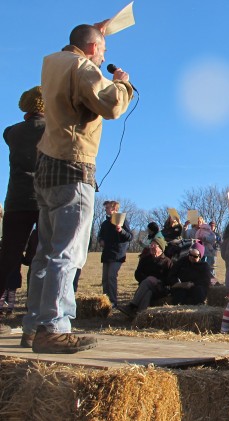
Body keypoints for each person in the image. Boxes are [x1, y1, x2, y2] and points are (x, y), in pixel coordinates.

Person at [21, 22, 134, 353]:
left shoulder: (53, 62)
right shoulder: (82, 67)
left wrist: (95, 34)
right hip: (73, 165)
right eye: (102, 51)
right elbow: (110, 106)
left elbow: (81, 40)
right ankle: (54, 327)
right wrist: (122, 85)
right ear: (92, 49)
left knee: (45, 253)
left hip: (47, 165)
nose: (103, 58)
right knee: (67, 252)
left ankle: (33, 325)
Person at [0, 86, 45, 331]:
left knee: (8, 255)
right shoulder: (51, 129)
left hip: (15, 200)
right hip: (42, 199)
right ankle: (35, 310)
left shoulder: (11, 132)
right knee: (41, 256)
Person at [117, 237, 173, 319]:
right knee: (148, 292)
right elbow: (137, 274)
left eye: (154, 245)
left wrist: (158, 281)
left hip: (160, 288)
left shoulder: (168, 262)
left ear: (161, 248)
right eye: (151, 245)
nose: (151, 247)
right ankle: (140, 316)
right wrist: (147, 279)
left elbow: (170, 279)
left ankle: (132, 306)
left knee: (148, 282)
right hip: (145, 287)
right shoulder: (145, 259)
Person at [97, 200, 132, 307]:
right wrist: (100, 240)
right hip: (107, 253)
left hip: (117, 254)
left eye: (107, 207)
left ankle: (113, 301)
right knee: (105, 279)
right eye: (105, 207)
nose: (105, 209)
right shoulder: (105, 223)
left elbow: (130, 237)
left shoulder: (122, 221)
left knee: (111, 277)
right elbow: (100, 236)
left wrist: (121, 230)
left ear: (114, 209)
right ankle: (105, 301)